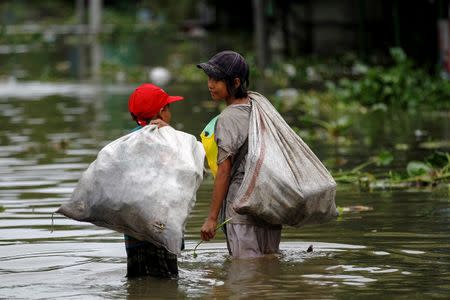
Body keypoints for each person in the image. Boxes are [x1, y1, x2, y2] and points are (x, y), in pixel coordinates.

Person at [197, 50, 282, 258]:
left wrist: (212, 218)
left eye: (216, 80)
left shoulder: (227, 118)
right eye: (209, 78)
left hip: (241, 210)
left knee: (244, 276)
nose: (210, 84)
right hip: (269, 208)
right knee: (269, 268)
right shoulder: (260, 110)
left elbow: (224, 171)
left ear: (235, 83)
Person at [125, 83, 184, 278]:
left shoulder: (127, 141)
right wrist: (171, 134)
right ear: (162, 112)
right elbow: (186, 168)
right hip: (161, 229)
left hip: (133, 231)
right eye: (169, 107)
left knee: (138, 281)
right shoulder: (165, 140)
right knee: (166, 284)